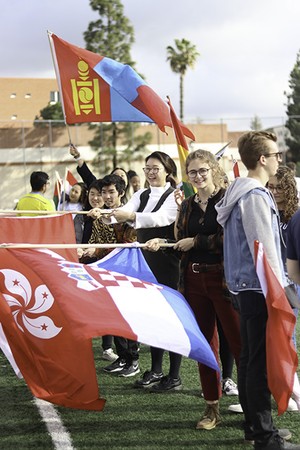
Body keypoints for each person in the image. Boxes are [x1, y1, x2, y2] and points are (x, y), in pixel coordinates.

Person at [145, 149, 241, 428]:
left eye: (203, 171)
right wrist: (162, 243)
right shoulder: (186, 204)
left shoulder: (227, 199)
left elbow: (231, 238)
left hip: (224, 280)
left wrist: (196, 242)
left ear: (213, 169)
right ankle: (211, 408)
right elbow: (180, 241)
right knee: (204, 346)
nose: (198, 176)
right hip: (193, 281)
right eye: (192, 172)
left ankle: (253, 407)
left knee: (239, 343)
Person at [216, 131, 299, 449]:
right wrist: (281, 293)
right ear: (262, 159)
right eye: (276, 155)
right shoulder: (255, 196)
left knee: (251, 360)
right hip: (259, 289)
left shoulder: (242, 192)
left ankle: (256, 428)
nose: (280, 159)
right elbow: (263, 249)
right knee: (258, 362)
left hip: (244, 287)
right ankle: (265, 436)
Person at [104, 151, 182, 392]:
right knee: (152, 317)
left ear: (168, 171)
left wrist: (130, 216)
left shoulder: (174, 195)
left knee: (171, 319)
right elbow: (123, 211)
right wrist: (104, 213)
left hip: (168, 262)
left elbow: (161, 218)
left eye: (155, 168)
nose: (150, 172)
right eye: (147, 167)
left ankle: (175, 375)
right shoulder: (141, 193)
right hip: (145, 261)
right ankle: (156, 369)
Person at [81, 174, 138, 375]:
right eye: (103, 192)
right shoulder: (99, 216)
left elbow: (127, 245)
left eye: (111, 192)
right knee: (113, 315)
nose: (106, 196)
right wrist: (90, 251)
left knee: (128, 315)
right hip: (106, 271)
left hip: (127, 272)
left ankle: (133, 359)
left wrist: (99, 251)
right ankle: (122, 356)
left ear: (121, 193)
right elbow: (96, 241)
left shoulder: (129, 214)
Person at [268, 166, 299, 412]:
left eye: (280, 187)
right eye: (271, 186)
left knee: (288, 335)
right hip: (269, 281)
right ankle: (283, 389)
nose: (275, 191)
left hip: (290, 283)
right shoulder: (265, 211)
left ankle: (291, 390)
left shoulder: (294, 216)